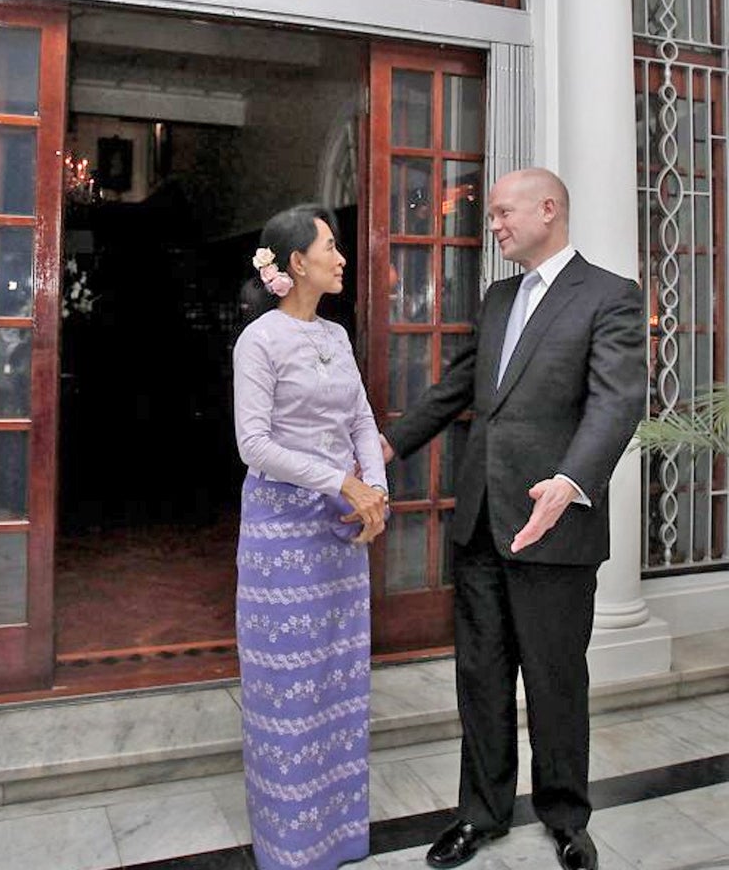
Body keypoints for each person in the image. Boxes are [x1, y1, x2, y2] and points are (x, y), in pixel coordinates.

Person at [381, 168, 647, 870]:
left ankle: (565, 817)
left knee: (557, 683)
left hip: (554, 530)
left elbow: (616, 402)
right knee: (481, 679)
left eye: (503, 212)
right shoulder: (498, 297)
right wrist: (387, 444)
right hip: (479, 529)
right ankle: (481, 814)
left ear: (548, 209)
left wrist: (569, 481)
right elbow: (458, 387)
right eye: (492, 213)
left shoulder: (610, 296)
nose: (492, 224)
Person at [233, 203, 388, 870]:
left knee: (339, 682)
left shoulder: (336, 336)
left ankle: (341, 833)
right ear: (297, 263)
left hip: (339, 531)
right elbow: (254, 445)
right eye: (331, 246)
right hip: (281, 535)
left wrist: (373, 491)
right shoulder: (259, 341)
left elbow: (361, 419)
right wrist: (341, 483)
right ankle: (291, 847)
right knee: (287, 695)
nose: (341, 257)